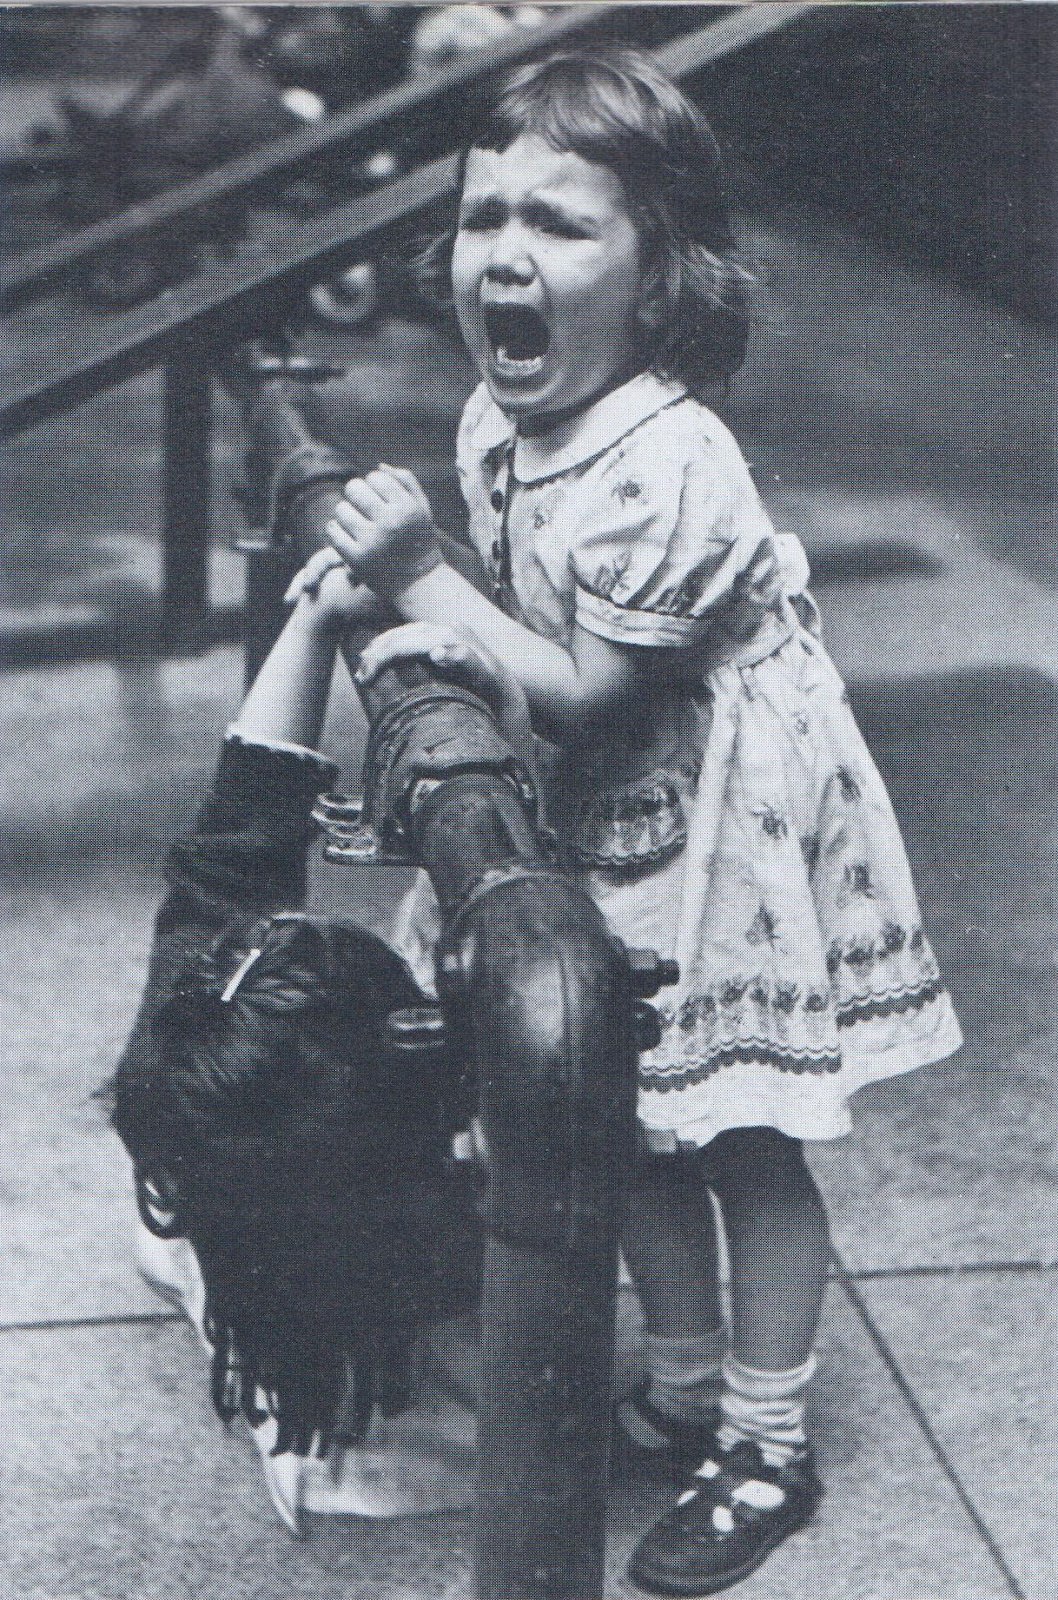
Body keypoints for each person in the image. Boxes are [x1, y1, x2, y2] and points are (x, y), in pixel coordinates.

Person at [308, 47, 963, 1596]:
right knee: (623, 1116)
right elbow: (525, 620)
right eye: (482, 217)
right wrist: (439, 622)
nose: (505, 254)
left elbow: (590, 690)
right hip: (625, 808)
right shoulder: (502, 411)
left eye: (560, 222)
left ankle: (768, 1443)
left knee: (742, 1135)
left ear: (661, 275)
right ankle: (680, 1386)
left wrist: (416, 580)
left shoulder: (671, 460)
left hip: (724, 818)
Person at [107, 566, 486, 1532]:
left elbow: (243, 825)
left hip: (228, 1211)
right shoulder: (433, 1199)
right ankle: (319, 1418)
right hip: (348, 1282)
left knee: (247, 1239)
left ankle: (216, 1290)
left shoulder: (181, 1045)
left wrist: (315, 620)